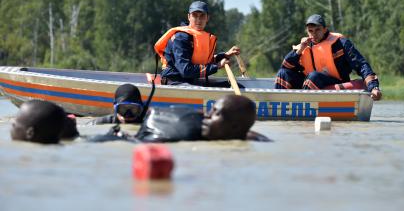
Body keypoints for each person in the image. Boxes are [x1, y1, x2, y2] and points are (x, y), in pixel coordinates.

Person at [274, 14, 382, 101]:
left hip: (335, 82)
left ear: (325, 29)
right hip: (311, 82)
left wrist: (374, 87)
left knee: (313, 76)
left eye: (318, 30)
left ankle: (306, 108)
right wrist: (299, 50)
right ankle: (280, 107)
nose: (314, 34)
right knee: (283, 73)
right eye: (310, 31)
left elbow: (361, 64)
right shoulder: (304, 46)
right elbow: (285, 68)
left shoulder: (340, 43)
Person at [89, 95, 270, 143]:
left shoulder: (249, 139)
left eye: (215, 113)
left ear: (236, 127)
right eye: (210, 110)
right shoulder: (194, 125)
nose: (206, 116)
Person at [154, 1, 240, 87]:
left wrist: (225, 55)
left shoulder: (197, 37)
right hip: (173, 81)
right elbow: (186, 71)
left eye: (202, 16)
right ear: (189, 17)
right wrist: (216, 66)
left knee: (233, 85)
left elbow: (204, 61)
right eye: (195, 15)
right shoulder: (181, 38)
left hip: (189, 81)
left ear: (207, 18)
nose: (198, 20)